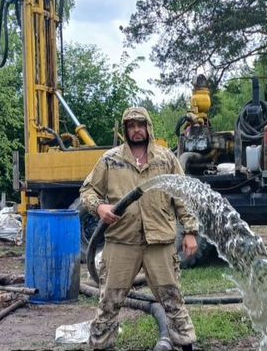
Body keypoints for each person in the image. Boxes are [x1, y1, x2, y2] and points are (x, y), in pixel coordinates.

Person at [80, 106, 199, 351]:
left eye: (140, 124)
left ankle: (185, 344)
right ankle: (101, 345)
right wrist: (100, 208)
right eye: (131, 125)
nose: (136, 130)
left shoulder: (165, 159)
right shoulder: (111, 160)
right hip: (121, 242)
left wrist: (190, 231)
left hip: (160, 242)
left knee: (172, 299)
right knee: (109, 301)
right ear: (126, 130)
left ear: (148, 127)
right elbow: (87, 191)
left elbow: (183, 196)